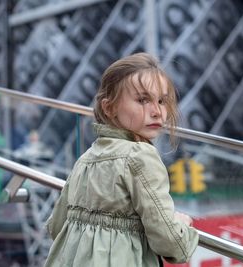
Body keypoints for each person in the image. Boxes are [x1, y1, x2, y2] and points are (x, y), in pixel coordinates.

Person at [44, 53, 199, 266]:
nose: (157, 112)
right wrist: (183, 225)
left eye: (162, 101)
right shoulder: (140, 156)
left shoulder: (88, 157)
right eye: (143, 100)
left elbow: (56, 227)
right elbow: (172, 244)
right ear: (110, 108)